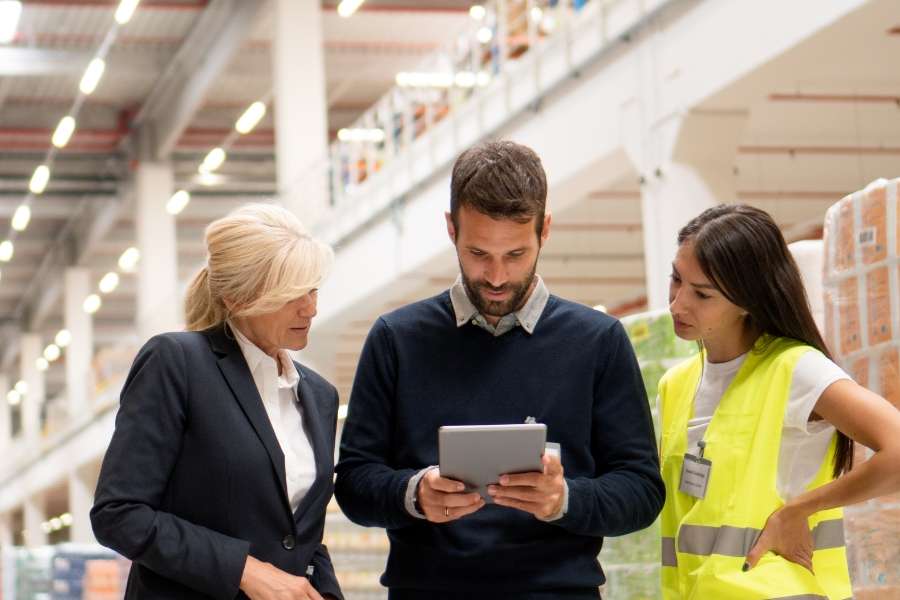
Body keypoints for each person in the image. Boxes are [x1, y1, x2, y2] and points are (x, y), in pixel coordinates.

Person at [334, 140, 665, 599]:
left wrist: (563, 499)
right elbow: (353, 482)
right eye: (478, 254)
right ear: (451, 229)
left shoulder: (598, 341)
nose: (495, 277)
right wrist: (415, 493)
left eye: (515, 255)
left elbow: (642, 491)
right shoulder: (396, 339)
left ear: (544, 230)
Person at [91, 204, 344, 600]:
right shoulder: (176, 362)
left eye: (313, 289)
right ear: (237, 298)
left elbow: (300, 537)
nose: (311, 308)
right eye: (293, 293)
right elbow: (119, 515)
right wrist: (245, 570)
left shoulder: (319, 395)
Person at [658, 204, 900, 599]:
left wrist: (798, 510)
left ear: (747, 300)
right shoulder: (677, 384)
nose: (677, 304)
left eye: (701, 294)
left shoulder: (795, 369)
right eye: (676, 279)